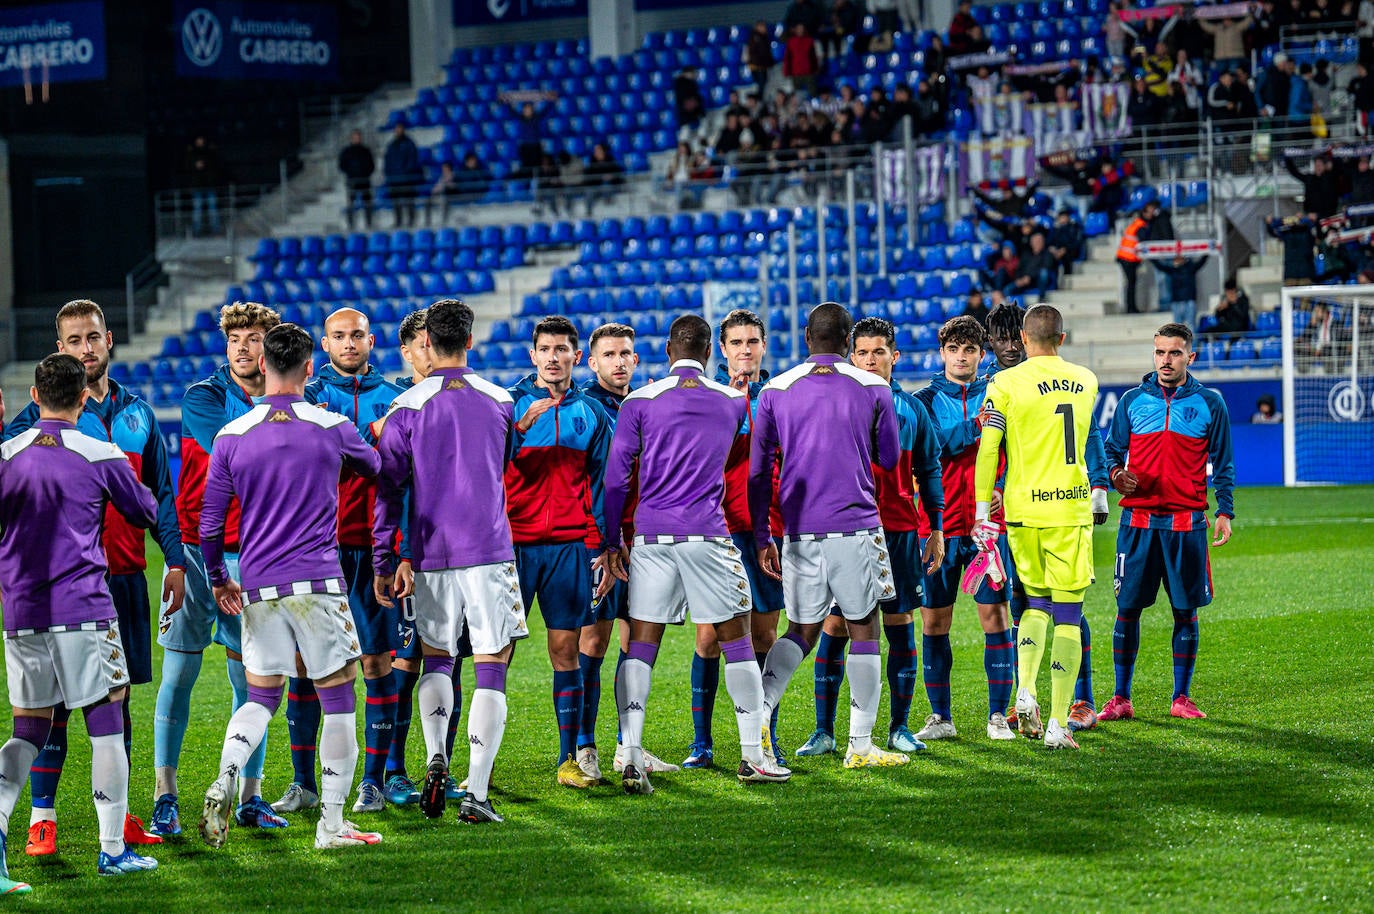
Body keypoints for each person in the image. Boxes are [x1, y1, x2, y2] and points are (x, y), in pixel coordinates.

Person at [3, 300, 183, 856]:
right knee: (89, 709)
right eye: (74, 340)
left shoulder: (137, 415)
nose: (86, 347)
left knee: (85, 710)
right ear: (63, 353)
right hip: (86, 595)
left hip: (109, 582)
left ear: (109, 340)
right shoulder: (80, 443)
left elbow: (165, 495)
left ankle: (118, 817)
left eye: (93, 337)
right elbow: (149, 503)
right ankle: (55, 822)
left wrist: (175, 561)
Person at [198, 323, 382, 851]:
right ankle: (331, 825)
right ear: (308, 368)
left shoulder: (231, 436)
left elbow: (210, 525)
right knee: (340, 699)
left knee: (260, 697)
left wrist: (218, 579)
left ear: (262, 367)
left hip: (256, 586)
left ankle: (225, 774)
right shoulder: (329, 425)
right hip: (318, 583)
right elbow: (373, 467)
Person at [597, 315, 789, 794]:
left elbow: (617, 480)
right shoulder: (732, 401)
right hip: (708, 534)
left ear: (666, 350)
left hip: (651, 539)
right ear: (709, 352)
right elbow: (749, 469)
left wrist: (609, 539)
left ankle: (632, 755)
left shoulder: (639, 401)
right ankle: (752, 756)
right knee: (737, 641)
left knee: (641, 645)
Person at [371, 299, 525, 824]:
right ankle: (476, 792)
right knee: (491, 668)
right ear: (471, 341)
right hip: (489, 551)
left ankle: (435, 752)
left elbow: (388, 491)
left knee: (437, 658)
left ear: (428, 345)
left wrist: (383, 559)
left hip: (431, 555)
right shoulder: (501, 399)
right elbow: (503, 466)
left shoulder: (406, 407)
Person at [751, 302, 911, 770]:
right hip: (855, 526)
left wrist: (764, 533)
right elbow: (887, 458)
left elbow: (759, 473)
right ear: (848, 342)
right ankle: (860, 746)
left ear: (806, 338)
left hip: (799, 531)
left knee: (800, 630)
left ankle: (759, 713)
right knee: (864, 628)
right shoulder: (873, 387)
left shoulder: (775, 390)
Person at [151, 301, 283, 838]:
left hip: (251, 554)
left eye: (255, 339)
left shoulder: (282, 400)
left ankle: (249, 795)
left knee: (248, 678)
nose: (245, 348)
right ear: (226, 346)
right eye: (237, 339)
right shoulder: (202, 397)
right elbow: (237, 450)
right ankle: (166, 795)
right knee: (179, 674)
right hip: (192, 553)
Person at [795, 317, 946, 757]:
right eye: (861, 352)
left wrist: (934, 527)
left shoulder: (913, 410)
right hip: (845, 530)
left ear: (894, 357)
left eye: (878, 352)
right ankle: (824, 731)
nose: (869, 360)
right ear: (849, 355)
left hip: (898, 530)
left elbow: (928, 469)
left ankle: (898, 728)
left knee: (899, 625)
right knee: (837, 625)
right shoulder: (838, 402)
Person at [277, 309, 402, 816]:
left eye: (357, 335)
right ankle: (304, 782)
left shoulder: (394, 396)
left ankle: (374, 780)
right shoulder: (306, 398)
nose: (348, 344)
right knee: (306, 666)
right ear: (323, 346)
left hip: (374, 546)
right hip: (317, 549)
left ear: (371, 341)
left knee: (376, 661)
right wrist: (368, 435)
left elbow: (397, 474)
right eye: (338, 337)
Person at [972, 305, 1103, 750]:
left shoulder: (1003, 383)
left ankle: (1024, 688)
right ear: (1061, 339)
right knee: (1068, 613)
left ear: (1024, 339)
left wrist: (979, 511)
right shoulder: (1087, 380)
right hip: (1070, 509)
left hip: (1022, 511)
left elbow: (989, 449)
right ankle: (1058, 723)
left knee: (1033, 604)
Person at [1100, 323, 1235, 723]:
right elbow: (1111, 451)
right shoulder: (1131, 401)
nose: (1165, 360)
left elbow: (1224, 463)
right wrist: (1114, 474)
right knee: (1127, 610)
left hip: (1185, 525)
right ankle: (1120, 698)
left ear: (1190, 357)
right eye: (1160, 352)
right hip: (1137, 522)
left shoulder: (1211, 403)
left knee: (1185, 611)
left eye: (1174, 353)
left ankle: (1182, 698)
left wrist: (1224, 511)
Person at [506, 317, 613, 787]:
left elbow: (604, 485)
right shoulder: (506, 407)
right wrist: (514, 434)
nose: (553, 357)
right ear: (532, 356)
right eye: (545, 349)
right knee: (496, 654)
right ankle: (476, 766)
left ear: (575, 357)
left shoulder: (591, 414)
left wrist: (606, 546)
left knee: (565, 649)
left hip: (568, 548)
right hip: (512, 547)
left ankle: (569, 758)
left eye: (562, 349)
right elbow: (479, 467)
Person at [685, 311, 787, 770]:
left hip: (767, 530)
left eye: (752, 341)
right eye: (736, 343)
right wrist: (735, 407)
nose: (745, 349)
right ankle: (701, 744)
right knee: (709, 638)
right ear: (721, 351)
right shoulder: (709, 399)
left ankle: (765, 737)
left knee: (765, 633)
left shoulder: (781, 397)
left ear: (764, 345)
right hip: (718, 530)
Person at [578, 324, 679, 781]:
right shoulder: (581, 408)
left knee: (636, 643)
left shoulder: (648, 405)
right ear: (592, 361)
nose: (619, 362)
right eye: (610, 355)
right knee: (593, 642)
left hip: (642, 543)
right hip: (597, 545)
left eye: (626, 354)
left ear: (637, 361)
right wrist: (602, 537)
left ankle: (627, 745)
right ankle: (584, 747)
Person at [1117, 202, 1158, 314]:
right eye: (1150, 212)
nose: (1152, 214)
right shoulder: (1141, 226)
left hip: (1127, 258)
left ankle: (1131, 307)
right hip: (1128, 258)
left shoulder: (1137, 223)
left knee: (1131, 284)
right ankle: (1131, 308)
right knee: (1131, 284)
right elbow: (1143, 240)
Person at [1151, 254, 1208, 329]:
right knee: (1178, 329)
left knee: (1191, 326)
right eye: (1175, 259)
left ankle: (1193, 341)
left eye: (1179, 258)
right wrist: (1150, 256)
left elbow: (1201, 262)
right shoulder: (1172, 270)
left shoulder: (1190, 268)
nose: (1176, 260)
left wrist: (1208, 251)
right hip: (1177, 302)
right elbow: (1160, 266)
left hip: (1189, 301)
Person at [182, 135, 223, 236]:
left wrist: (205, 164)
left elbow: (216, 165)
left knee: (213, 209)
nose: (200, 142)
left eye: (202, 140)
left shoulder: (210, 152)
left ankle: (215, 230)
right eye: (198, 140)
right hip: (197, 186)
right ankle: (197, 231)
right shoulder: (191, 153)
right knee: (197, 210)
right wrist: (195, 165)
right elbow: (186, 166)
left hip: (209, 185)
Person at [383, 124, 422, 228]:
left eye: (400, 129)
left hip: (406, 178)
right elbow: (387, 161)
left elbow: (412, 160)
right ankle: (398, 221)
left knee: (409, 200)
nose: (398, 131)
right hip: (394, 179)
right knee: (396, 202)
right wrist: (389, 175)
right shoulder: (391, 145)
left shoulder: (409, 143)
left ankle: (411, 220)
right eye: (396, 129)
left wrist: (406, 172)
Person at [338, 130, 376, 230]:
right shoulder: (346, 151)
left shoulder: (366, 150)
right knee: (350, 204)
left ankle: (369, 224)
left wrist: (366, 174)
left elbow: (372, 165)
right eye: (355, 137)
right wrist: (351, 173)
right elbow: (342, 165)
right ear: (352, 138)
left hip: (364, 181)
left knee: (367, 203)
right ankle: (350, 225)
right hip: (352, 181)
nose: (357, 138)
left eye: (358, 136)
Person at [584, 143, 625, 216]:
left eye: (598, 150)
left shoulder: (610, 159)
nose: (596, 152)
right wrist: (600, 177)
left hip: (609, 184)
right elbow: (589, 175)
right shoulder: (592, 161)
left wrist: (611, 176)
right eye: (595, 150)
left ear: (603, 151)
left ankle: (607, 202)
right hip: (596, 185)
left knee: (606, 186)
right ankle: (588, 212)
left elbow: (617, 171)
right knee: (589, 192)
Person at [745, 20, 775, 93]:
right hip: (758, 65)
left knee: (763, 85)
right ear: (757, 27)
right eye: (762, 26)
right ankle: (759, 100)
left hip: (761, 65)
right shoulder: (755, 37)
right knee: (761, 85)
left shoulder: (764, 37)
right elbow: (761, 52)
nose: (765, 28)